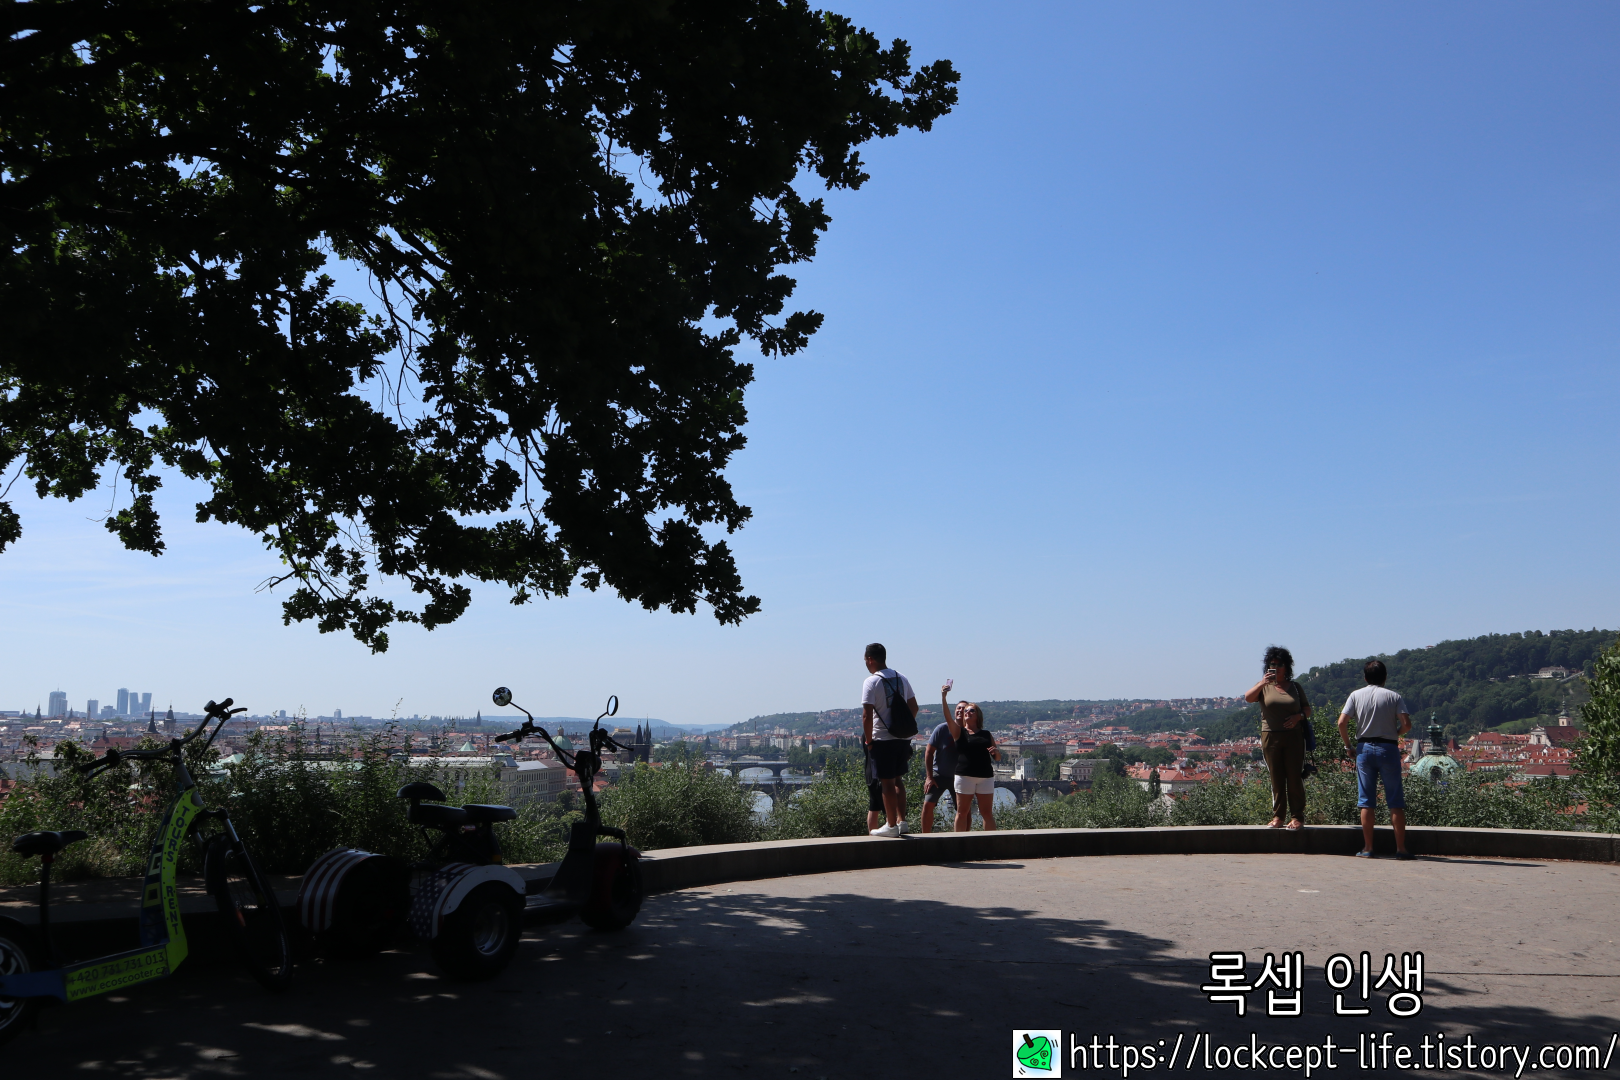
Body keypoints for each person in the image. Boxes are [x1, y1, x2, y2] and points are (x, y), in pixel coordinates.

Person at [1338, 660, 1415, 859]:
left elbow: (1342, 723)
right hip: (1388, 748)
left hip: (1364, 748)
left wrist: (1348, 746)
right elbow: (1407, 724)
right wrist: (1395, 733)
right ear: (1385, 677)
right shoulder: (1394, 696)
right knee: (1395, 800)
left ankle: (1368, 848)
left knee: (1366, 801)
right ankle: (1401, 849)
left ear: (1365, 678)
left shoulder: (1355, 695)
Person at [1243, 645, 1311, 831]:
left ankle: (1297, 817)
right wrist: (1262, 683)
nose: (1276, 668)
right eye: (1272, 664)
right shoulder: (1264, 687)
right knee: (1276, 778)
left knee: (1294, 777)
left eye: (1280, 664)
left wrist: (1298, 717)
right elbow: (1248, 698)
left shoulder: (1295, 687)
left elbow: (1307, 710)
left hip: (1294, 737)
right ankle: (1278, 816)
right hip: (1271, 737)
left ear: (1286, 666)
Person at [861, 643, 918, 837]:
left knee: (886, 783)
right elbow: (914, 707)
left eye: (865, 660)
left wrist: (869, 741)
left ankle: (891, 825)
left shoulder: (871, 682)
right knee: (898, 780)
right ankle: (902, 821)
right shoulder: (901, 677)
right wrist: (902, 727)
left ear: (870, 659)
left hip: (882, 739)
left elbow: (867, 716)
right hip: (903, 739)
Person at [941, 683, 1000, 831]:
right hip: (965, 776)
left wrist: (997, 753)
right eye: (966, 710)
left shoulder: (986, 734)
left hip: (985, 776)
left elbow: (997, 758)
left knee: (987, 813)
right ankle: (959, 842)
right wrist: (943, 697)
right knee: (962, 813)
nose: (967, 712)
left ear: (977, 714)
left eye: (971, 710)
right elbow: (948, 718)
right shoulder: (959, 732)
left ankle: (991, 842)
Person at [921, 705, 960, 833]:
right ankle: (925, 837)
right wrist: (929, 777)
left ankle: (963, 838)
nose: (960, 711)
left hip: (959, 777)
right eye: (958, 708)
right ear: (954, 712)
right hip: (939, 775)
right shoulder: (942, 729)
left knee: (963, 810)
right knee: (927, 805)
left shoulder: (968, 731)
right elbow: (928, 752)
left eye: (964, 709)